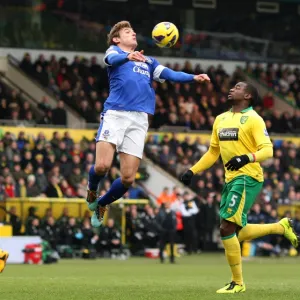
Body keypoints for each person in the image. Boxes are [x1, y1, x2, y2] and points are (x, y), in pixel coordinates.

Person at [86, 20, 210, 227]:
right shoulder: (114, 51)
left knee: (127, 179)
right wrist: (127, 56)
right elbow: (111, 59)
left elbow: (170, 74)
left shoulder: (148, 61)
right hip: (116, 114)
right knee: (101, 166)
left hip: (140, 119)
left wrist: (193, 77)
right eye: (127, 31)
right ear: (116, 38)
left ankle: (102, 203)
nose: (133, 33)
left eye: (133, 31)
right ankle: (92, 189)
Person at [180, 82, 299, 294]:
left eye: (237, 87)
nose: (231, 89)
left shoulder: (254, 119)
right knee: (234, 232)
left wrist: (246, 158)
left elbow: (268, 150)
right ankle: (280, 227)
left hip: (248, 177)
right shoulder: (220, 119)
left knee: (226, 228)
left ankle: (238, 283)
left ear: (247, 96)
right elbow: (212, 152)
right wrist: (192, 171)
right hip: (231, 179)